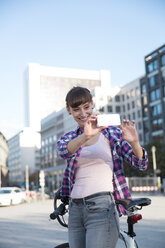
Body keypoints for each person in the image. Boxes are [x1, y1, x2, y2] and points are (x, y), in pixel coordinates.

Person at [57, 86, 148, 248]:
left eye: (86, 107)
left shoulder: (112, 133)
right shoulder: (70, 137)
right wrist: (86, 135)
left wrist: (134, 142)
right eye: (76, 109)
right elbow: (64, 151)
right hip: (75, 209)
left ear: (92, 104)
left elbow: (140, 164)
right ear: (69, 110)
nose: (83, 113)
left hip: (102, 207)